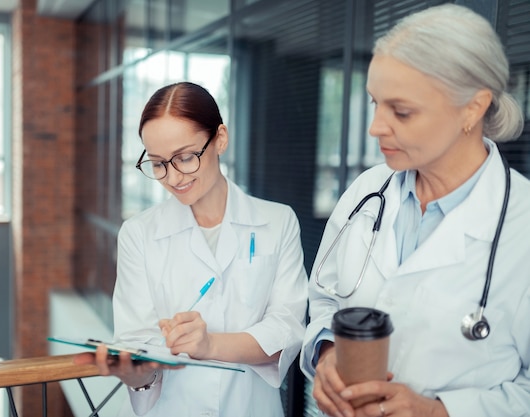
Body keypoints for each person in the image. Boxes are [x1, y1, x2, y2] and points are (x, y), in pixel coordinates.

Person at [300, 4, 530, 417]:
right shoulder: (368, 191)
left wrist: (440, 411)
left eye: (401, 111)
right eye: (375, 103)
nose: (376, 127)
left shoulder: (521, 224)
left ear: (473, 109)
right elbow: (324, 298)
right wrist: (327, 350)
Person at [76, 81, 308, 416]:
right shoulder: (138, 235)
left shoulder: (277, 221)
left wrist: (210, 344)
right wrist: (135, 373)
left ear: (221, 140)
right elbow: (139, 347)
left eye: (185, 157)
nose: (172, 177)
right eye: (158, 163)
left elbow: (286, 333)